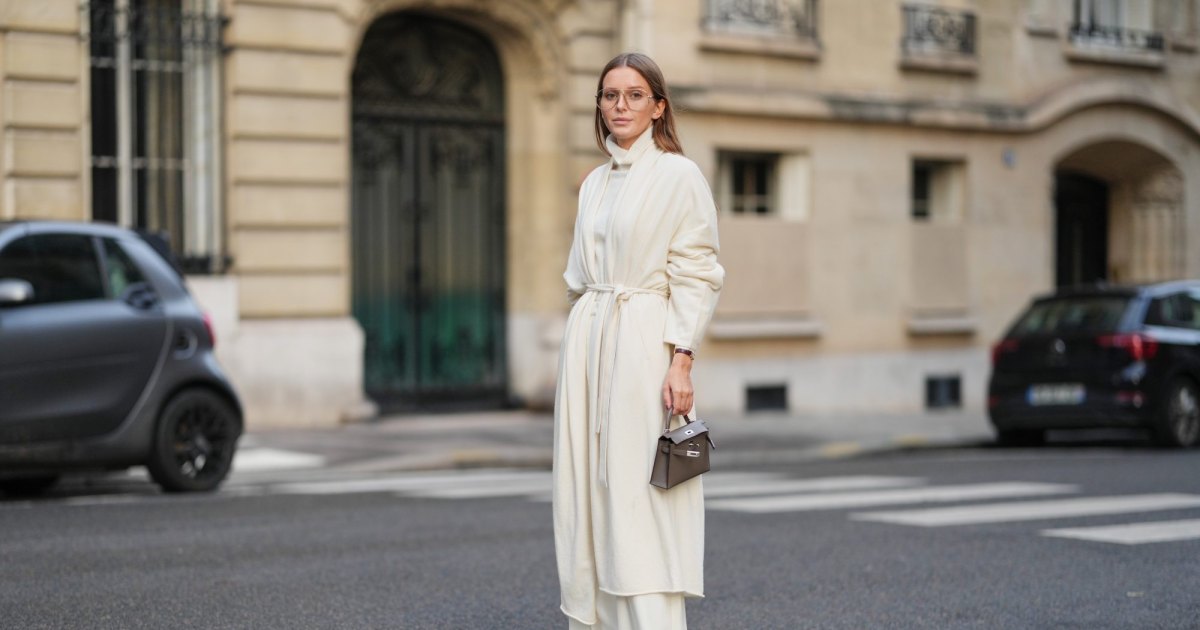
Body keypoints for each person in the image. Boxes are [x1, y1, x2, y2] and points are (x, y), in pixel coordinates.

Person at [552, 52, 725, 630]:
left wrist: (681, 359)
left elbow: (696, 272)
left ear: (658, 106)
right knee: (588, 493)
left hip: (644, 345)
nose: (619, 106)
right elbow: (579, 278)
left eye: (633, 95)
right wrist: (581, 340)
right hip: (590, 342)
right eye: (609, 95)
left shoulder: (679, 175)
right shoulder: (594, 183)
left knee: (641, 497)